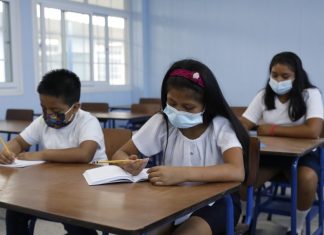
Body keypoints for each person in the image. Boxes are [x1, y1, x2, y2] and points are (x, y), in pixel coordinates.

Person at [112, 59, 250, 235]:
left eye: (188, 107)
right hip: (174, 198)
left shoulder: (220, 126)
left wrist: (180, 174)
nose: (177, 111)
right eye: (172, 103)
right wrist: (127, 162)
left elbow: (237, 171)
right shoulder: (162, 122)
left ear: (206, 105)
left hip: (218, 202)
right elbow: (120, 153)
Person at [0, 69, 107, 235]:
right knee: (15, 211)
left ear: (76, 107)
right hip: (53, 187)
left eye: (56, 111)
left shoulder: (87, 122)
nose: (48, 114)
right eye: (43, 108)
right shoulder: (42, 122)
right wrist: (7, 151)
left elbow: (85, 153)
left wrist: (42, 154)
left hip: (87, 190)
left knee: (74, 219)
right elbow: (19, 142)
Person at [239, 51, 323, 235]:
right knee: (241, 174)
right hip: (270, 156)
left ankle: (297, 227)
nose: (278, 80)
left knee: (308, 180)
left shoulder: (310, 94)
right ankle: (245, 217)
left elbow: (313, 131)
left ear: (297, 76)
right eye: (274, 75)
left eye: (285, 76)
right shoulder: (264, 95)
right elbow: (244, 122)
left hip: (303, 156)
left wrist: (272, 129)